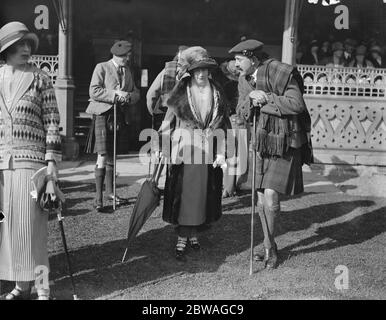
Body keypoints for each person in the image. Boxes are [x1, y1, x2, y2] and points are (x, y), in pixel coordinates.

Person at [229, 39, 313, 269]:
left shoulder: (281, 72)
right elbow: (240, 110)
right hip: (259, 142)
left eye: (238, 59)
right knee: (259, 198)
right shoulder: (243, 79)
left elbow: (296, 105)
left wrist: (264, 99)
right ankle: (270, 244)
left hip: (284, 142)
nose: (235, 65)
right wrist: (249, 100)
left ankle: (268, 247)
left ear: (252, 58)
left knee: (270, 196)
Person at [0, 21, 62, 299]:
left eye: (28, 44)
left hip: (32, 163)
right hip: (2, 163)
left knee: (32, 231)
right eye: (19, 45)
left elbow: (52, 123)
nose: (26, 49)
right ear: (6, 49)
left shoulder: (41, 78)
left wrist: (51, 165)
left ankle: (42, 287)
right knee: (9, 230)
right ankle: (20, 284)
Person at [156, 46, 229, 260]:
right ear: (190, 71)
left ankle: (194, 233)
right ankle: (182, 236)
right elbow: (166, 124)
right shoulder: (180, 92)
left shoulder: (217, 93)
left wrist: (222, 152)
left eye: (205, 69)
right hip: (183, 152)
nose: (201, 74)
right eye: (197, 70)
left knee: (201, 196)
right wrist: (164, 148)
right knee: (184, 196)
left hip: (208, 152)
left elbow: (224, 126)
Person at [85, 40, 140, 212]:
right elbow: (93, 91)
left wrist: (128, 96)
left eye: (128, 56)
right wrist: (115, 94)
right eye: (124, 57)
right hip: (102, 114)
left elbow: (136, 93)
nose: (127, 59)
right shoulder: (102, 67)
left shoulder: (127, 71)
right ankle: (98, 198)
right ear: (116, 55)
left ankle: (110, 192)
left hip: (118, 116)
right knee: (102, 155)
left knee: (113, 154)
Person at [216, 60, 250, 198]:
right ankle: (236, 184)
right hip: (242, 120)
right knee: (241, 154)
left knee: (232, 154)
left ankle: (229, 188)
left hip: (233, 120)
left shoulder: (230, 85)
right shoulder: (244, 84)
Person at [146, 45, 189, 128]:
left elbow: (151, 95)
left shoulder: (167, 70)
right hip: (186, 120)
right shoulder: (195, 74)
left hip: (166, 117)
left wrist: (155, 113)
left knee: (165, 139)